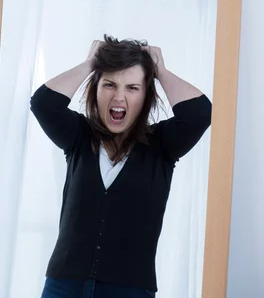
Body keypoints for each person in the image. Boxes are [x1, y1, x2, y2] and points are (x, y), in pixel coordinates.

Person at [31, 36, 212, 298]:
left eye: (132, 88)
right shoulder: (79, 137)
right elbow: (43, 104)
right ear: (95, 88)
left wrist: (160, 71)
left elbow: (200, 113)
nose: (119, 96)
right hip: (64, 285)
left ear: (146, 94)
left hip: (131, 290)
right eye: (109, 84)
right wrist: (89, 64)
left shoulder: (161, 145)